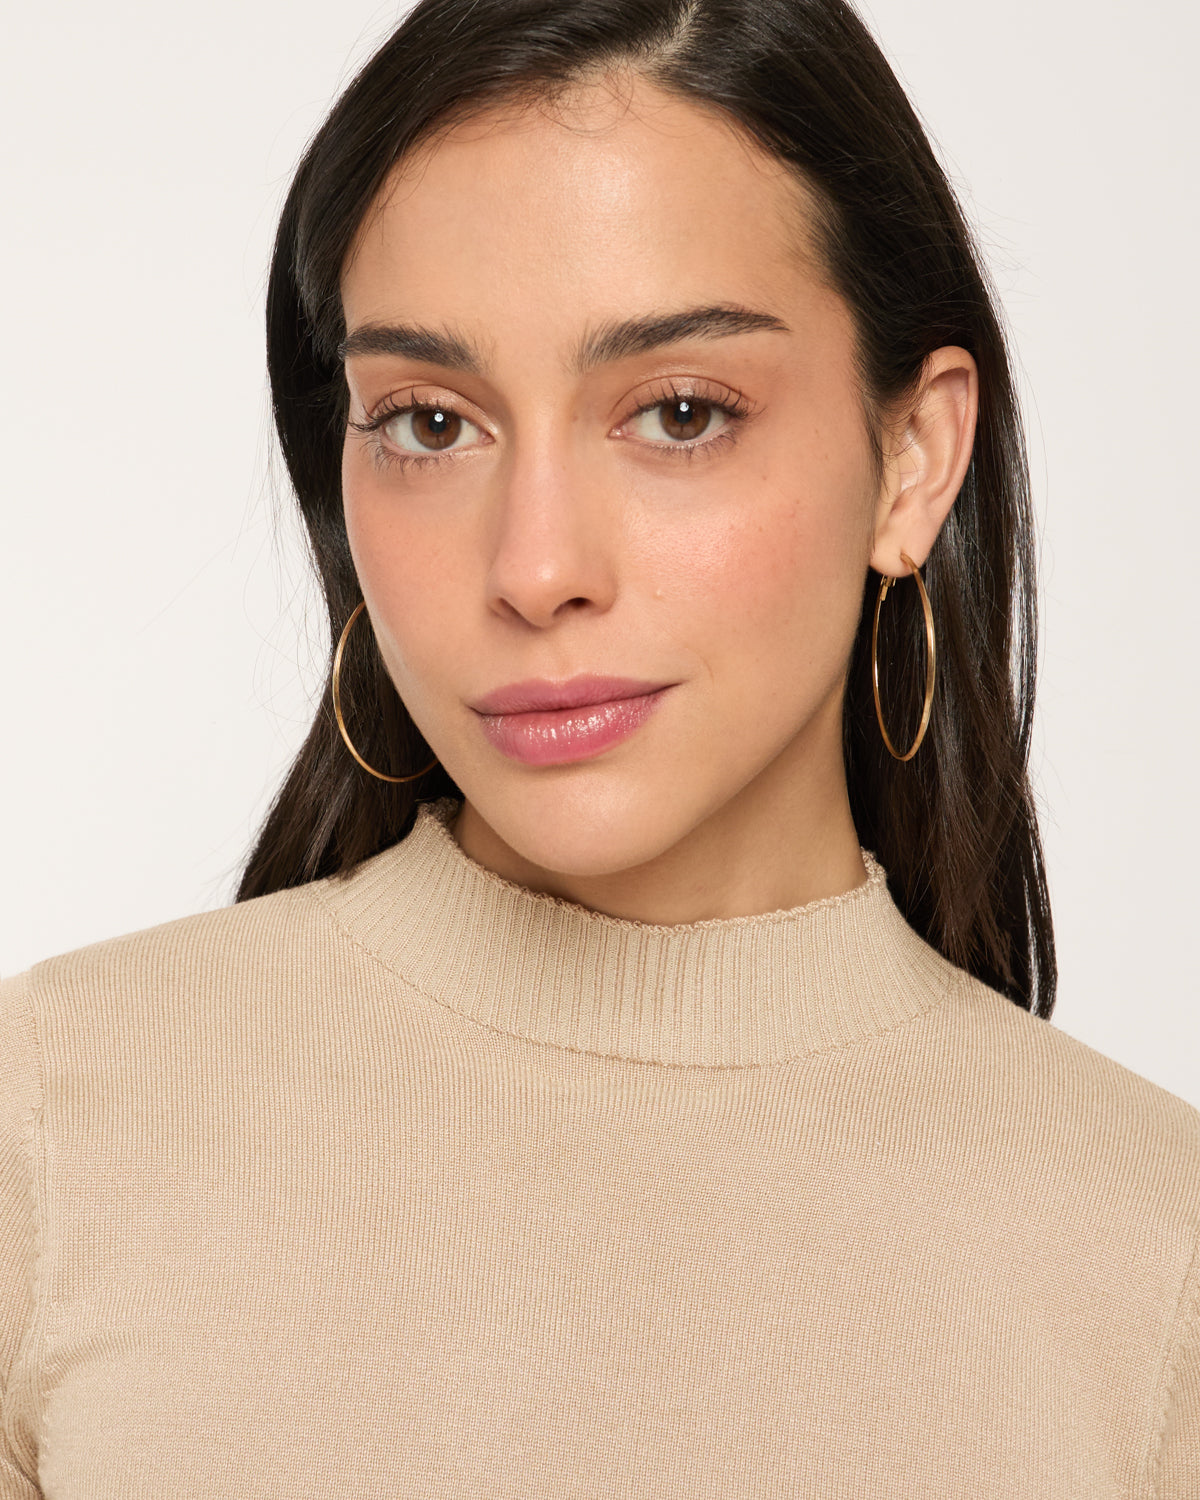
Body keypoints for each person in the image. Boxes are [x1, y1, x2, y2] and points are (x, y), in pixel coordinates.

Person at [1, 0, 1196, 1492]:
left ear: (912, 458)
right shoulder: (52, 1119)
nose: (536, 568)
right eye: (431, 424)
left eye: (680, 413)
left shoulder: (1155, 1267)